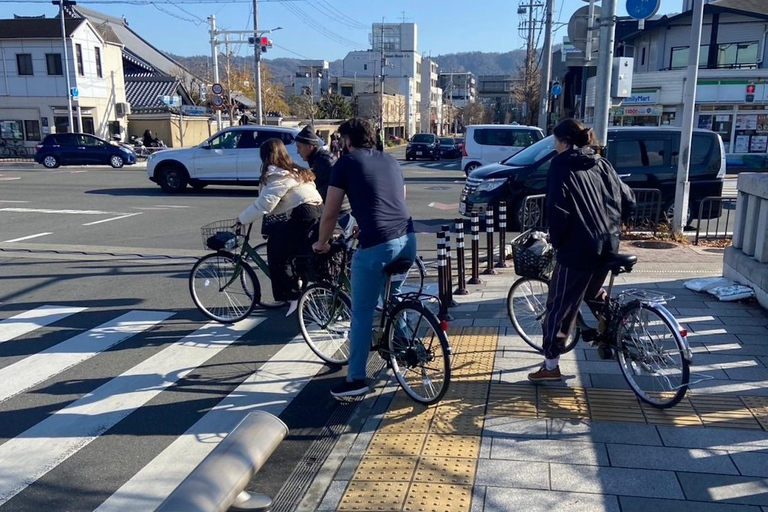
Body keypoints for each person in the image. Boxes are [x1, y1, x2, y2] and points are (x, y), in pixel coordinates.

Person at [312, 118, 416, 399]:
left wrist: (322, 243)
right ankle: (404, 347)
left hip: (377, 247)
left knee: (361, 313)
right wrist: (365, 222)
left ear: (347, 141)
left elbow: (330, 212)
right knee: (394, 297)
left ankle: (356, 378)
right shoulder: (390, 160)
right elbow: (396, 199)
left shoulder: (345, 163)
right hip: (408, 240)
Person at [528, 118, 635, 382]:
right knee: (591, 291)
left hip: (578, 249)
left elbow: (557, 210)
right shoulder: (601, 163)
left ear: (564, 142)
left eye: (555, 142)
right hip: (609, 243)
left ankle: (550, 366)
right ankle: (615, 330)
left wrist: (557, 241)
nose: (555, 146)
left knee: (560, 306)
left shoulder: (560, 165)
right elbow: (628, 198)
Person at [238, 138, 323, 316]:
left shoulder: (278, 175)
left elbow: (264, 205)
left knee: (277, 251)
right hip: (318, 210)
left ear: (265, 157)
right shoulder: (295, 170)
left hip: (303, 214)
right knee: (295, 251)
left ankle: (293, 296)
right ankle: (298, 286)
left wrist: (241, 219)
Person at [295, 126, 351, 228]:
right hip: (336, 208)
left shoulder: (324, 160)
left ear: (310, 146)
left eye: (299, 147)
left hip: (339, 211)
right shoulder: (317, 158)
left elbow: (330, 187)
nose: (298, 152)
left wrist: (309, 198)